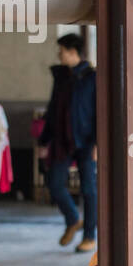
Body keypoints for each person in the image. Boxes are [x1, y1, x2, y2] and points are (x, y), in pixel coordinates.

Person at [39, 33, 97, 252]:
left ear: (73, 53)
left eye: (61, 51)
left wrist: (98, 144)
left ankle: (89, 236)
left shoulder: (92, 77)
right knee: (54, 183)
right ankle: (73, 219)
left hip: (87, 141)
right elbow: (53, 108)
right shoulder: (61, 77)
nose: (58, 55)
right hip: (62, 141)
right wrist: (44, 139)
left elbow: (101, 111)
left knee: (89, 190)